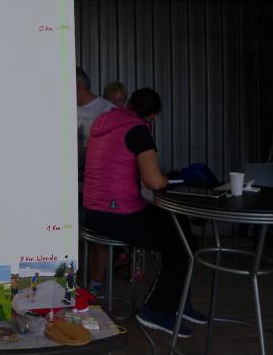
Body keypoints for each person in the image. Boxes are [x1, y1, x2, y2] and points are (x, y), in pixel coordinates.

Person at [83, 88, 206, 338]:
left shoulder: (105, 121)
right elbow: (153, 181)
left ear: (129, 104)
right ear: (154, 115)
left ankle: (179, 301)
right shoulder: (139, 130)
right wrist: (167, 179)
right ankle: (156, 310)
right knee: (182, 244)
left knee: (179, 223)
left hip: (93, 210)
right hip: (117, 214)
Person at [76, 67, 114, 296]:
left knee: (97, 237)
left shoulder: (106, 110)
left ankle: (95, 286)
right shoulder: (60, 107)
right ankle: (69, 283)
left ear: (78, 86)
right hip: (67, 186)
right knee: (67, 235)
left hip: (97, 186)